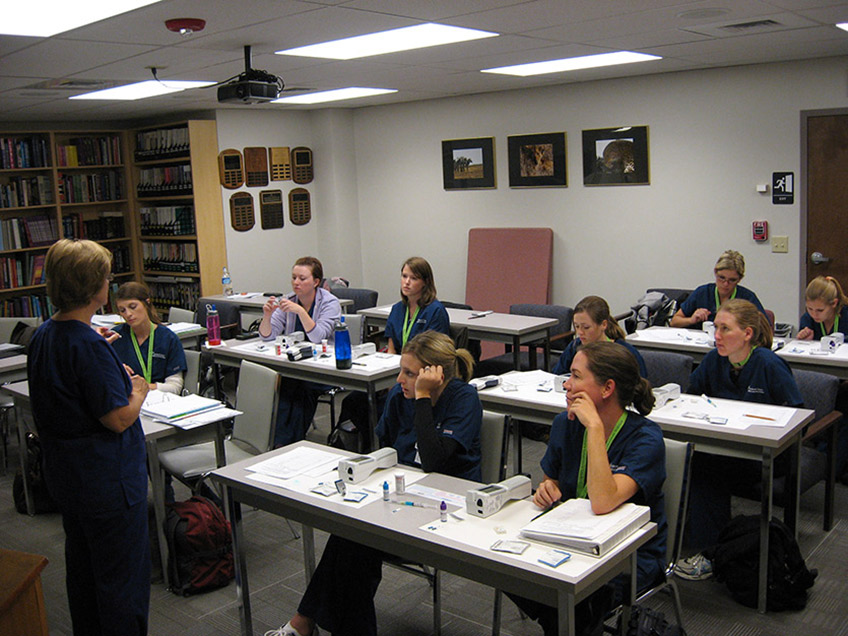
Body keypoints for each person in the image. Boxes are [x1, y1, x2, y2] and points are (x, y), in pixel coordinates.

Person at [276, 331, 481, 636]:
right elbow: (387, 449)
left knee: (355, 540)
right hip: (402, 496)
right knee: (353, 535)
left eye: (409, 374)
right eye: (401, 370)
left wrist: (423, 397)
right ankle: (306, 622)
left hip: (446, 508)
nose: (399, 379)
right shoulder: (401, 395)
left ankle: (303, 620)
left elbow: (434, 463)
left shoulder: (463, 399)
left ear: (435, 375)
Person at [27, 239, 150, 635]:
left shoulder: (45, 335)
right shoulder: (88, 346)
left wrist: (101, 355)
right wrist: (137, 393)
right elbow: (117, 419)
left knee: (84, 576)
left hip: (69, 478)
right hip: (108, 484)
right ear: (92, 286)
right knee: (121, 586)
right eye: (107, 278)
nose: (110, 284)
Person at [510, 341, 667, 636]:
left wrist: (594, 428)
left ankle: (567, 621)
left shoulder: (645, 439)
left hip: (629, 555)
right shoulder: (565, 424)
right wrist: (548, 488)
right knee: (508, 568)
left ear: (607, 388)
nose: (567, 385)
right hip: (569, 538)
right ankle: (564, 622)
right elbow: (552, 478)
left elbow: (603, 502)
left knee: (578, 600)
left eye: (577, 376)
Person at [675, 299, 803, 581]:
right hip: (727, 447)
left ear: (747, 334)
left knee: (705, 468)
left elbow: (797, 416)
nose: (716, 335)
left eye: (725, 329)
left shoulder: (769, 364)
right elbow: (690, 396)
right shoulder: (713, 360)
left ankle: (711, 552)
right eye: (715, 327)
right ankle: (691, 538)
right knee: (685, 458)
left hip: (767, 455)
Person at [259, 256, 341, 447]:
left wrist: (301, 312)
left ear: (316, 282)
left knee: (299, 387)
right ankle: (282, 441)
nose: (296, 282)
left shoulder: (330, 303)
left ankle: (288, 442)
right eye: (294, 277)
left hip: (323, 368)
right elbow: (268, 337)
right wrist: (267, 316)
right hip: (296, 365)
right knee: (284, 383)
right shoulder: (288, 300)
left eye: (302, 279)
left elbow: (318, 335)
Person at [111, 281, 187, 393]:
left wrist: (145, 386)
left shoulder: (168, 338)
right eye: (122, 310)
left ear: (147, 303)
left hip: (159, 400)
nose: (128, 314)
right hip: (126, 400)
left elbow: (175, 387)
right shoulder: (115, 337)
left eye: (133, 307)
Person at [552, 295, 647, 378]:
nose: (580, 332)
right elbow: (556, 377)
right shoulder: (574, 347)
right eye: (576, 326)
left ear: (603, 325)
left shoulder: (625, 353)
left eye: (586, 327)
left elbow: (640, 389)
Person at [670, 249, 766, 330]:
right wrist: (691, 320)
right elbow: (674, 322)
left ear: (740, 279)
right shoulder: (702, 293)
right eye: (721, 278)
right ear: (715, 273)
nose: (725, 284)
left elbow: (765, 328)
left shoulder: (747, 298)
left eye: (732, 280)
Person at [384, 256, 450, 354]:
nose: (407, 282)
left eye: (414, 278)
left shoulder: (436, 311)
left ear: (425, 282)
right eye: (404, 276)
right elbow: (391, 349)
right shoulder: (397, 309)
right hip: (398, 365)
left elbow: (436, 352)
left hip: (423, 364)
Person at [797, 275, 848, 340]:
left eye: (820, 310)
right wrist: (804, 340)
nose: (814, 314)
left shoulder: (845, 316)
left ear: (834, 303)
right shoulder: (807, 320)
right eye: (810, 309)